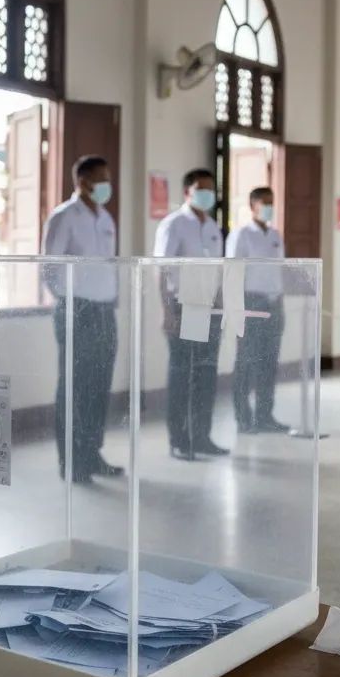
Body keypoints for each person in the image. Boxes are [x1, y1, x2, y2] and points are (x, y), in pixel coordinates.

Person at [41, 155, 121, 484]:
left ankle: (92, 453)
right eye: (100, 179)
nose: (106, 185)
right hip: (77, 310)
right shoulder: (64, 217)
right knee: (75, 387)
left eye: (107, 177)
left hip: (105, 310)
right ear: (82, 182)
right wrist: (71, 299)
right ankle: (71, 461)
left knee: (99, 386)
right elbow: (49, 267)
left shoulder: (105, 217)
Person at [153, 168, 227, 461]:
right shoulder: (173, 224)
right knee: (183, 375)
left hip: (209, 308)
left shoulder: (212, 226)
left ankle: (202, 436)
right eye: (201, 188)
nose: (207, 194)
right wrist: (167, 312)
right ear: (187, 192)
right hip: (182, 306)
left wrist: (221, 304)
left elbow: (219, 270)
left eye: (211, 189)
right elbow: (161, 269)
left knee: (206, 375)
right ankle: (179, 440)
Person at [225, 186, 289, 434]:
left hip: (273, 304)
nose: (269, 207)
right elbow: (232, 272)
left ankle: (265, 415)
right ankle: (243, 418)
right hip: (250, 303)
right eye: (264, 202)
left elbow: (280, 270)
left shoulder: (275, 235)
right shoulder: (241, 235)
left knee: (269, 362)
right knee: (246, 362)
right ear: (253, 206)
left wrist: (280, 299)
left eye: (272, 202)